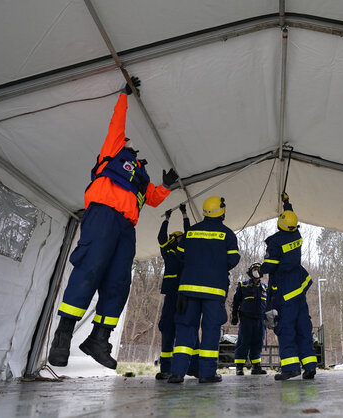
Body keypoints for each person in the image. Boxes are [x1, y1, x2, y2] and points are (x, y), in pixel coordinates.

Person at [48, 77, 178, 370]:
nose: (130, 142)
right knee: (90, 268)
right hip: (103, 215)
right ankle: (63, 336)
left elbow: (153, 199)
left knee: (119, 281)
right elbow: (117, 124)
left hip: (125, 227)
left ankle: (99, 338)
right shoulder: (113, 151)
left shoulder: (141, 176)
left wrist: (166, 186)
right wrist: (124, 96)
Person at [168, 196, 240, 383]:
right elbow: (233, 259)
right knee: (210, 330)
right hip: (213, 291)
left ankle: (177, 373)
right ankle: (207, 374)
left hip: (187, 290)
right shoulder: (227, 234)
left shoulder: (191, 232)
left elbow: (179, 255)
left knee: (185, 329)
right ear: (221, 211)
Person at [260, 193, 318, 381]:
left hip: (284, 292)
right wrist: (287, 204)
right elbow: (290, 218)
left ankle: (291, 367)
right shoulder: (297, 234)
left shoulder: (276, 242)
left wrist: (260, 268)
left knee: (286, 330)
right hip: (299, 290)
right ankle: (309, 366)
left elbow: (270, 265)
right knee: (303, 328)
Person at [155, 203, 190, 380]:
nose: (181, 240)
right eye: (179, 238)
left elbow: (189, 232)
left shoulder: (186, 252)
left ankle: (183, 368)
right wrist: (166, 219)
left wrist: (184, 214)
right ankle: (165, 368)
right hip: (171, 295)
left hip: (184, 295)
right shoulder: (167, 251)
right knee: (167, 330)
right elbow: (161, 237)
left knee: (183, 330)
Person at [230, 263, 268, 376]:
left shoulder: (265, 287)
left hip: (260, 319)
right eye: (254, 270)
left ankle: (256, 366)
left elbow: (269, 304)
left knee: (258, 341)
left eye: (258, 270)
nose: (256, 272)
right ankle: (239, 367)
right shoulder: (243, 285)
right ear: (250, 272)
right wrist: (234, 315)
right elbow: (235, 302)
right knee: (243, 342)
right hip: (246, 318)